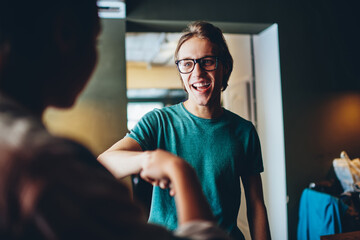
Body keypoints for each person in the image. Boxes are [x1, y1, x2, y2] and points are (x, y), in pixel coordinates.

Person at [0, 1, 230, 239]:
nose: (198, 72)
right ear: (65, 34)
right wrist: (179, 169)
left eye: (208, 61)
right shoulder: (46, 166)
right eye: (96, 39)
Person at [98, 21, 272, 240]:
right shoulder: (159, 122)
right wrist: (149, 160)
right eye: (187, 64)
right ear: (180, 70)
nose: (197, 72)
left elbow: (256, 205)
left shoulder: (244, 132)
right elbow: (103, 164)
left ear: (224, 66)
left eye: (207, 61)